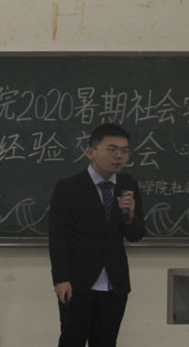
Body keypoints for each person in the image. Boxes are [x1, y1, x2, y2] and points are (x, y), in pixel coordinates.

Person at [48, 123, 146, 347]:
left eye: (124, 151)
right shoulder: (69, 187)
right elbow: (58, 238)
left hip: (115, 282)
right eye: (112, 150)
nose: (119, 156)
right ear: (91, 152)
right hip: (77, 282)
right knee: (72, 340)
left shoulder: (127, 184)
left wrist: (130, 216)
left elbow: (136, 234)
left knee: (106, 342)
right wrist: (61, 279)